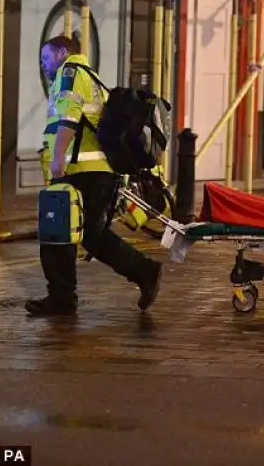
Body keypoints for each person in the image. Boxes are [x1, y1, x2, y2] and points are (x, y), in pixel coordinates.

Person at [26, 35, 163, 317]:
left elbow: (69, 119)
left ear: (62, 52)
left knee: (57, 232)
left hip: (80, 172)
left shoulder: (71, 72)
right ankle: (142, 272)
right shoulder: (91, 76)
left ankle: (63, 297)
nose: (43, 64)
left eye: (45, 58)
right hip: (97, 173)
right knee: (90, 235)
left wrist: (56, 160)